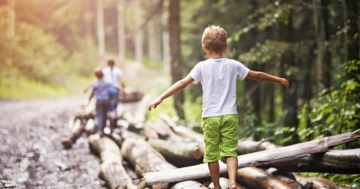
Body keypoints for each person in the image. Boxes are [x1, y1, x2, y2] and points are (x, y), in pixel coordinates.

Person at [148, 25, 289, 189]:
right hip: (229, 115)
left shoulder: (201, 67)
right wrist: (278, 79)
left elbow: (181, 84)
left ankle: (216, 186)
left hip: (210, 117)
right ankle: (233, 182)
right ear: (225, 46)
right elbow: (256, 75)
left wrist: (161, 97)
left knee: (212, 155)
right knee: (230, 152)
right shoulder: (233, 65)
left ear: (204, 48)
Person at [88, 67, 112, 137]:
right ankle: (103, 129)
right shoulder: (107, 83)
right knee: (104, 115)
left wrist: (88, 101)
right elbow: (111, 92)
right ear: (103, 75)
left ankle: (100, 130)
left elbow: (92, 94)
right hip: (106, 101)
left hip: (99, 101)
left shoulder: (95, 84)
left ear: (96, 76)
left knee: (99, 115)